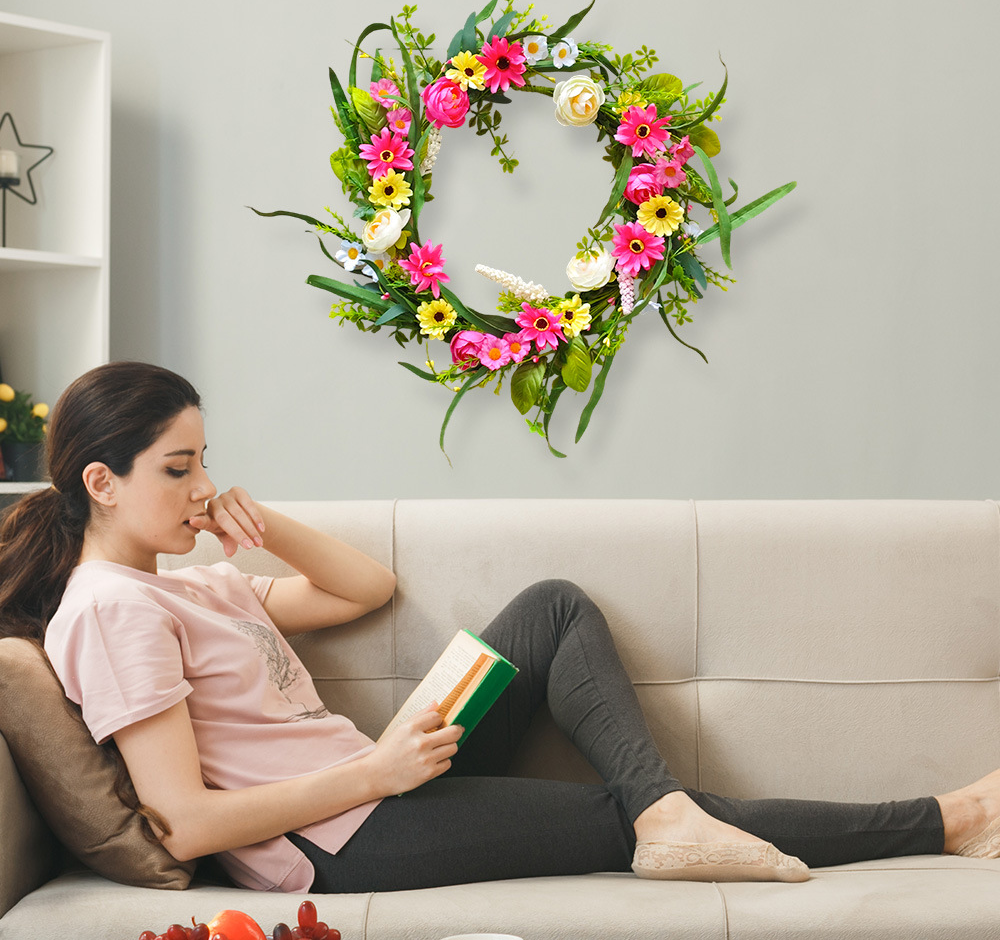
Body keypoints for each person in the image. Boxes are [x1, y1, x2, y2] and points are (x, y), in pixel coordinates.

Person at [0, 361, 998, 894]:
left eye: (205, 459)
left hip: (377, 780)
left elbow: (362, 588)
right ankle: (948, 818)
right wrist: (371, 776)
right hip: (342, 839)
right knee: (621, 815)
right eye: (178, 469)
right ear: (103, 481)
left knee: (553, 606)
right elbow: (185, 820)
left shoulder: (194, 585)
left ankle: (663, 817)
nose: (203, 484)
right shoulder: (115, 611)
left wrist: (258, 524)